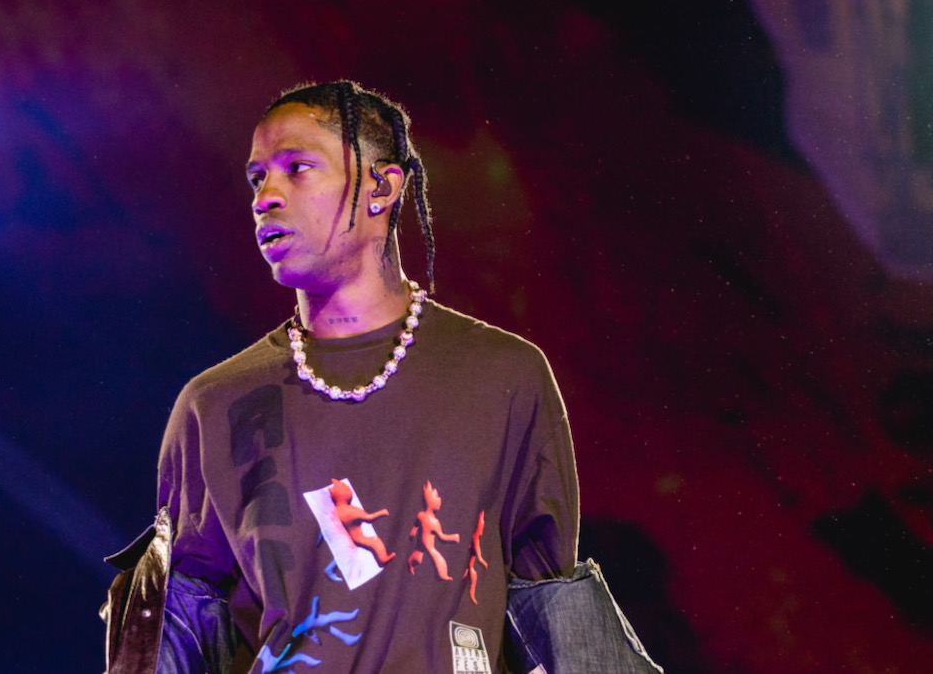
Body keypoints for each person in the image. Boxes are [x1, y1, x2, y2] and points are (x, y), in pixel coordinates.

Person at [101, 81, 661, 674]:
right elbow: (181, 624)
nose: (265, 197)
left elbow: (548, 605)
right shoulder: (215, 404)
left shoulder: (503, 377)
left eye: (297, 168)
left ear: (382, 188)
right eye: (257, 178)